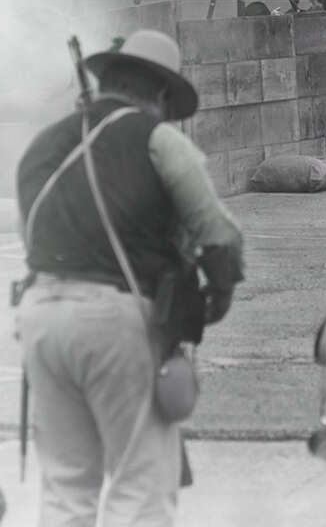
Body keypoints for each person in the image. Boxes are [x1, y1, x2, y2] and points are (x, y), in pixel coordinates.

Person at [15, 29, 244, 526]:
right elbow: (218, 234)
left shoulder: (42, 144)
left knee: (65, 488)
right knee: (139, 486)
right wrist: (215, 298)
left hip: (38, 316)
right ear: (160, 93)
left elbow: (34, 235)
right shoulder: (156, 137)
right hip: (116, 321)